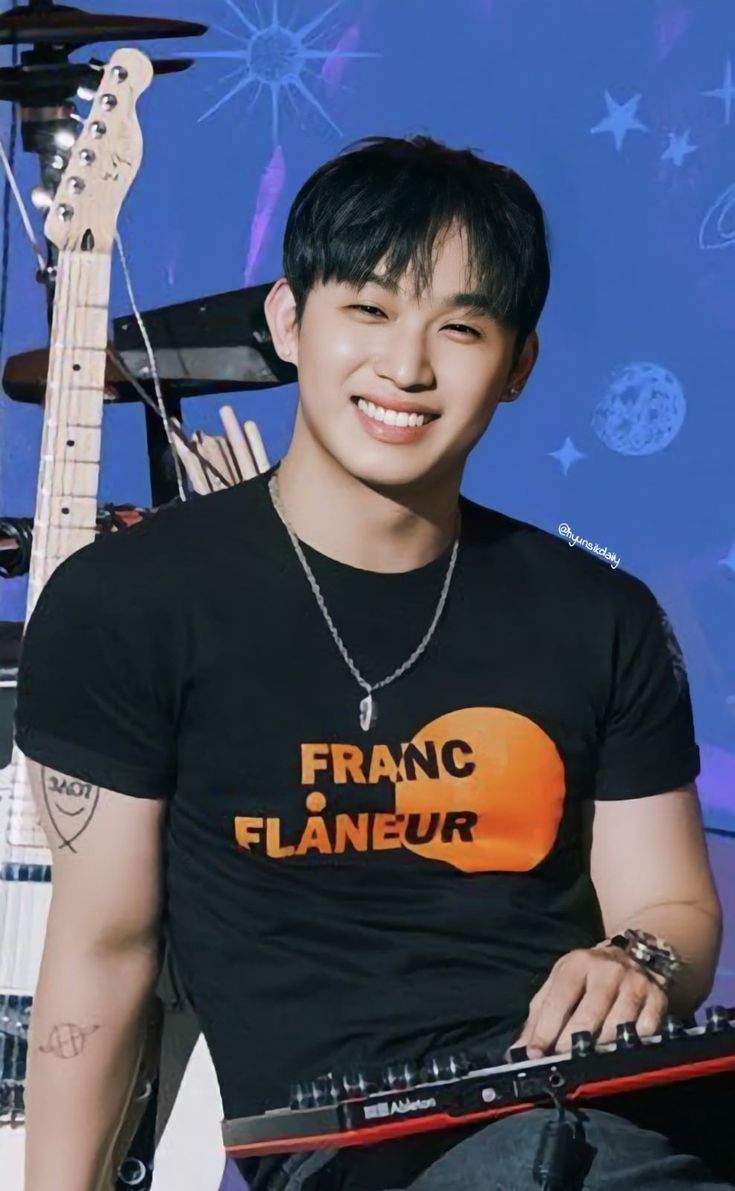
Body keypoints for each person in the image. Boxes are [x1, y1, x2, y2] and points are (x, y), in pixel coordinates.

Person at [14, 135, 732, 1191]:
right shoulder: (132, 602)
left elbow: (674, 907)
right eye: (368, 311)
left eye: (462, 328)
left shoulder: (599, 616)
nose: (408, 367)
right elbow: (103, 955)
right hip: (350, 1157)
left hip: (615, 1128)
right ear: (288, 322)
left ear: (521, 364)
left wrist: (638, 961)